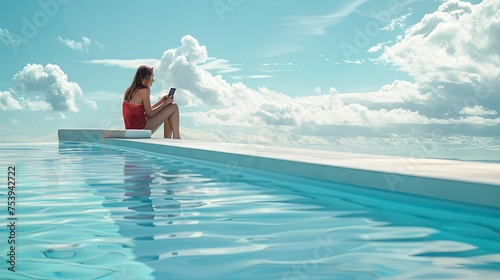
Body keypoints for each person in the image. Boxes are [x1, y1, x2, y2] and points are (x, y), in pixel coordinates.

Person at [122, 65, 181, 139]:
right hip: (140, 130)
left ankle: (168, 139)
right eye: (152, 77)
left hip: (132, 130)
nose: (153, 80)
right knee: (173, 106)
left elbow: (145, 111)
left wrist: (161, 102)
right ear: (146, 77)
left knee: (166, 109)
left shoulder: (129, 91)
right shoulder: (144, 91)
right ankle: (177, 137)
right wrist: (165, 103)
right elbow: (149, 114)